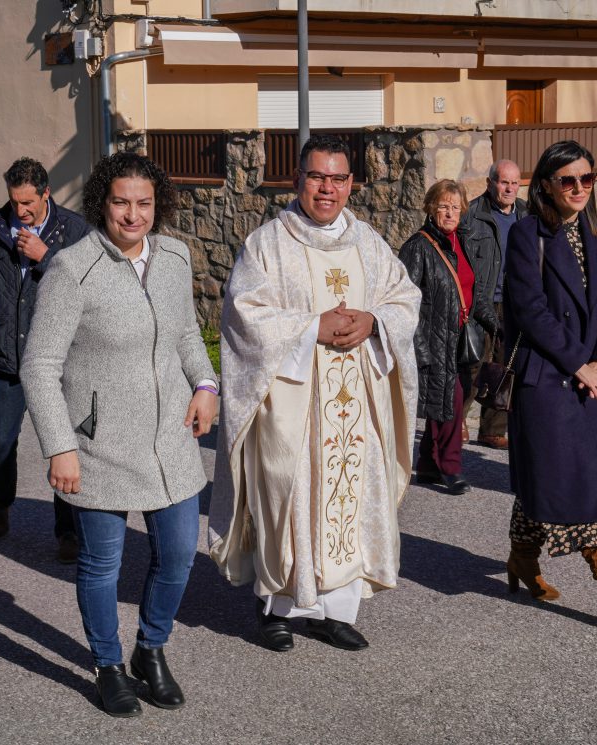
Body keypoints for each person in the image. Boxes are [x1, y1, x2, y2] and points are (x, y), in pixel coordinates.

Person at [20, 152, 217, 717]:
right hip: (98, 445)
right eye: (121, 202)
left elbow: (183, 332)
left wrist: (205, 382)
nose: (133, 215)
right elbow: (39, 366)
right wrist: (60, 445)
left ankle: (150, 651)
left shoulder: (176, 256)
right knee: (101, 565)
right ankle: (108, 664)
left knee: (178, 555)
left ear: (159, 204)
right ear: (102, 203)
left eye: (144, 203)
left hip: (170, 441)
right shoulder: (71, 268)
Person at [208, 134, 420, 653]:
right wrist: (311, 328)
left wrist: (373, 321)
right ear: (298, 179)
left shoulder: (367, 242)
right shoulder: (269, 244)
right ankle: (277, 607)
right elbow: (244, 315)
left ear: (352, 184)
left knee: (348, 502)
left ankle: (333, 609)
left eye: (338, 178)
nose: (327, 188)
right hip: (292, 404)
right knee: (286, 499)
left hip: (354, 407)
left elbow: (404, 297)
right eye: (317, 177)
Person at [502, 140, 597, 624]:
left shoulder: (596, 231)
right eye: (568, 180)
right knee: (574, 482)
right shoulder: (528, 235)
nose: (580, 188)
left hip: (589, 380)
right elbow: (531, 311)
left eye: (588, 179)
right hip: (547, 380)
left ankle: (522, 558)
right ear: (546, 184)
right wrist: (578, 363)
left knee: (564, 481)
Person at [0, 157, 90, 562]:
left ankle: (67, 531)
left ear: (45, 193)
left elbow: (91, 288)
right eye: (13, 202)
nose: (20, 212)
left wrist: (47, 256)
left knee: (62, 443)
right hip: (7, 355)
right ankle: (0, 504)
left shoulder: (74, 231)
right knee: (1, 439)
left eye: (27, 203)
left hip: (58, 361)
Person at [398, 179, 497, 495]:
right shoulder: (417, 247)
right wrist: (420, 350)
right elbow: (403, 303)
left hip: (461, 342)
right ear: (430, 208)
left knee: (448, 401)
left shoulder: (463, 243)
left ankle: (427, 464)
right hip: (434, 341)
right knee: (451, 404)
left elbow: (475, 293)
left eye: (456, 207)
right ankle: (449, 467)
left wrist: (496, 325)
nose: (450, 212)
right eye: (443, 206)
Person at [465, 159, 527, 449]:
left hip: (513, 302)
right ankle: (457, 422)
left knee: (504, 366)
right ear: (490, 183)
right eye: (504, 182)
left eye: (515, 183)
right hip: (480, 301)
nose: (510, 188)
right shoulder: (472, 213)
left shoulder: (527, 214)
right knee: (473, 364)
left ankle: (492, 430)